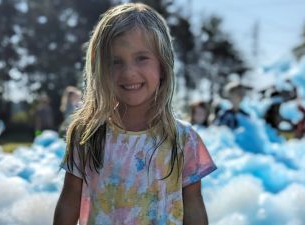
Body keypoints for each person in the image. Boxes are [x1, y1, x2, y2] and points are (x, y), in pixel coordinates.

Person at [54, 3, 217, 225]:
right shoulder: (87, 134)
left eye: (142, 57)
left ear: (162, 64)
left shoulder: (183, 139)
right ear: (100, 69)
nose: (129, 72)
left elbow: (194, 206)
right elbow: (69, 200)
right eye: (115, 61)